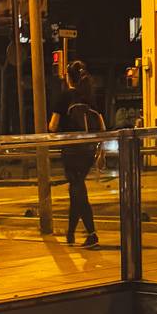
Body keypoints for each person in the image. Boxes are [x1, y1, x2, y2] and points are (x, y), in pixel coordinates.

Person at [49, 59, 106, 248]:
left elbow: (53, 126)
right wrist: (101, 151)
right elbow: (102, 125)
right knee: (76, 190)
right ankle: (71, 234)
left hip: (71, 151)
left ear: (68, 77)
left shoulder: (65, 96)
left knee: (77, 190)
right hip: (88, 151)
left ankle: (92, 234)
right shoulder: (89, 97)